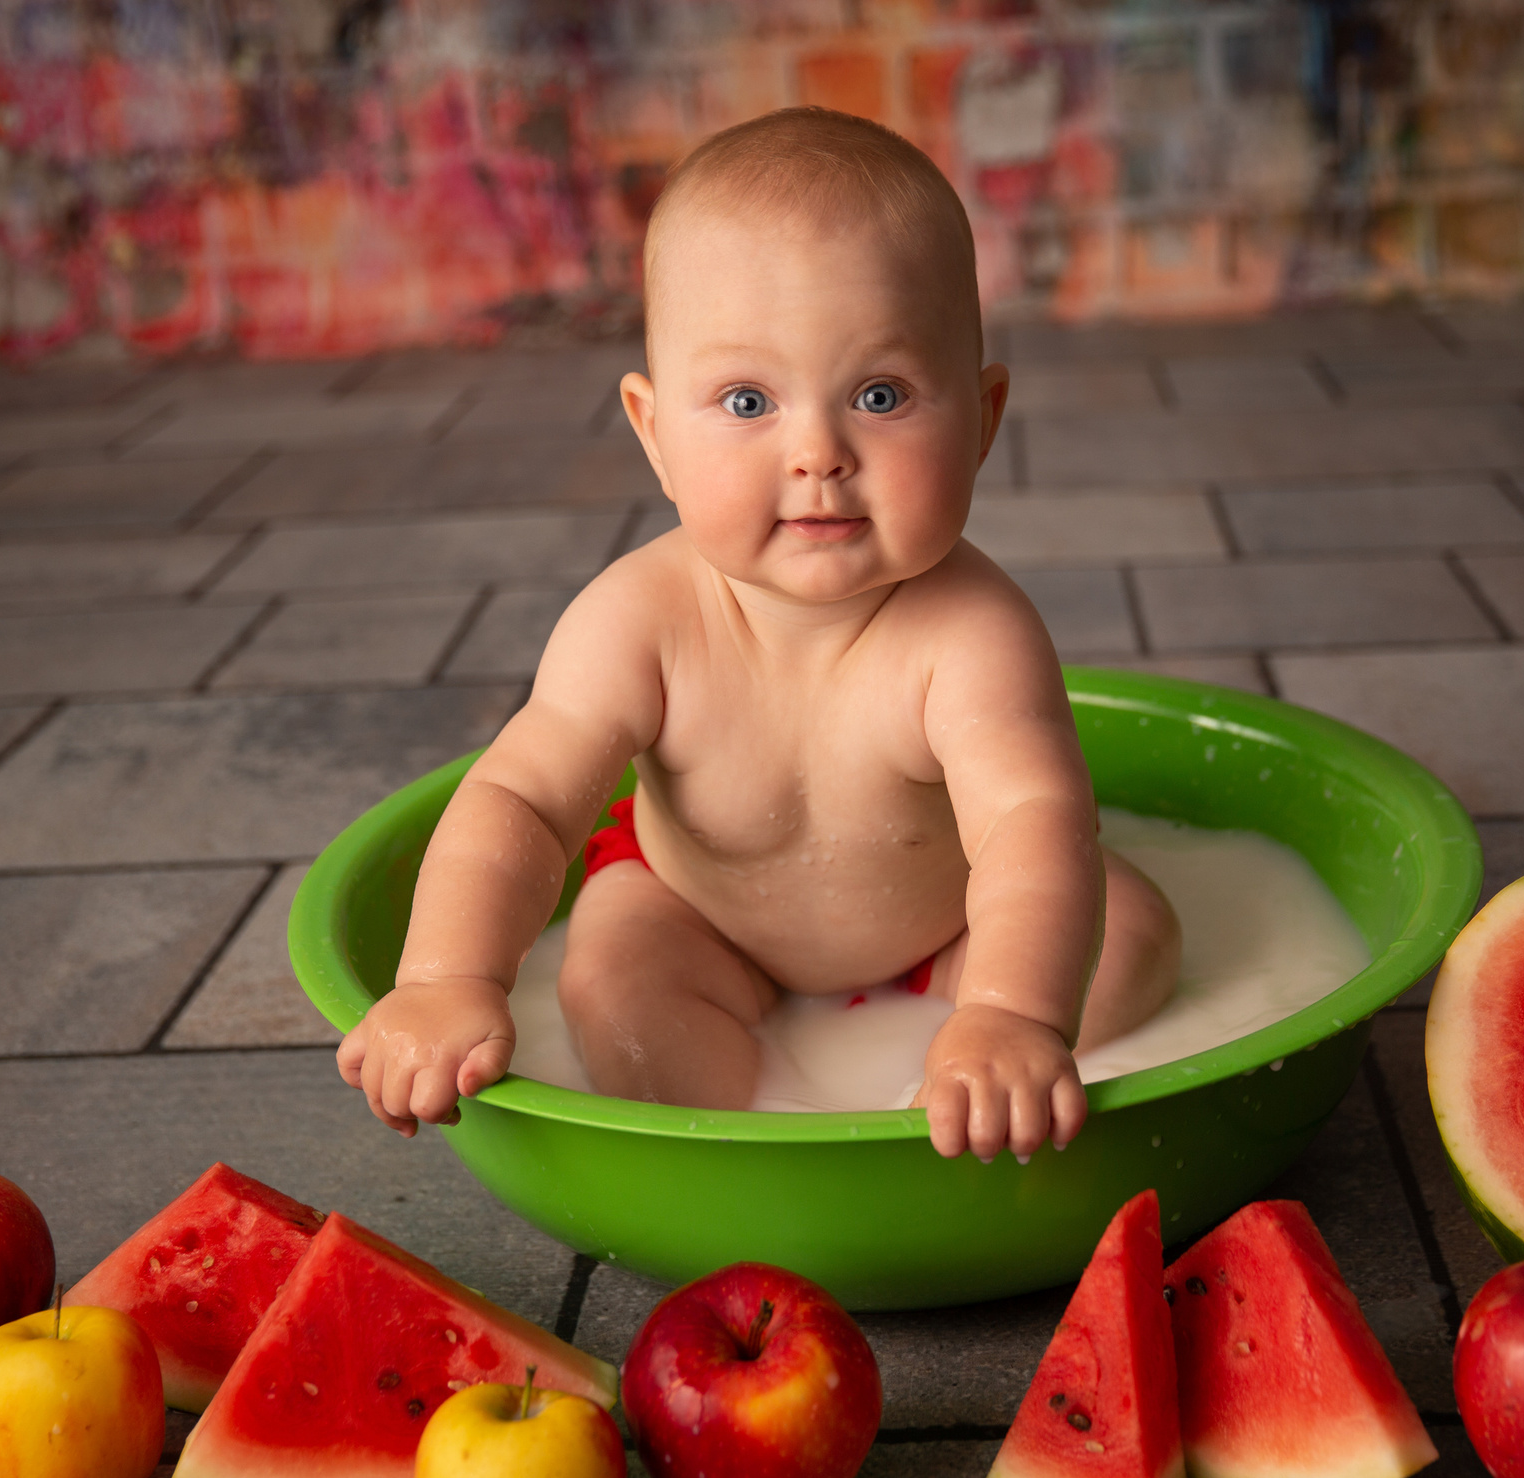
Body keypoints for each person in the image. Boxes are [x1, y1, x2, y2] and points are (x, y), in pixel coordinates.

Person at [337, 106, 1180, 1163]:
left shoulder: (972, 633)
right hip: (701, 922)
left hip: (944, 932)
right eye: (747, 401)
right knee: (617, 992)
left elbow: (1028, 824)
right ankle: (760, 1137)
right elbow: (521, 800)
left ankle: (954, 1067)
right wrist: (444, 983)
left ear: (982, 421)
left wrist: (1013, 1011)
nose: (818, 452)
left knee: (1127, 944)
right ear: (653, 434)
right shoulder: (638, 619)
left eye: (880, 395)